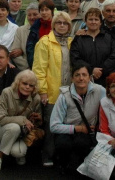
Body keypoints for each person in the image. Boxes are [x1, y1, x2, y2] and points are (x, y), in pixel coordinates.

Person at [33, 11, 73, 167]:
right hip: (52, 92)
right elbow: (39, 69)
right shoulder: (44, 42)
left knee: (67, 123)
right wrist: (42, 91)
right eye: (59, 23)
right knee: (50, 124)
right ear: (53, 24)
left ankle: (63, 156)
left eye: (65, 23)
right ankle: (47, 154)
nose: (62, 25)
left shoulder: (72, 42)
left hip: (69, 91)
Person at [51, 62, 106, 174]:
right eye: (77, 75)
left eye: (84, 75)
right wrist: (78, 128)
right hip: (67, 130)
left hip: (87, 132)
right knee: (63, 144)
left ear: (89, 77)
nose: (81, 78)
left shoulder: (99, 91)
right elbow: (54, 126)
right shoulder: (64, 96)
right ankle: (63, 163)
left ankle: (79, 164)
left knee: (82, 143)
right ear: (72, 78)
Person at [0, 70, 42, 172]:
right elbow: (1, 119)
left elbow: (36, 124)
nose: (27, 87)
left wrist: (38, 119)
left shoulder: (36, 98)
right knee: (14, 127)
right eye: (24, 83)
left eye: (31, 85)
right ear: (18, 82)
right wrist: (23, 120)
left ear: (34, 88)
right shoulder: (7, 92)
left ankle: (14, 152)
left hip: (22, 134)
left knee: (19, 152)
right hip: (0, 129)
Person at [70, 8, 115, 87]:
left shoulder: (109, 38)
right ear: (85, 22)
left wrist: (101, 70)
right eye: (90, 19)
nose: (93, 22)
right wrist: (91, 70)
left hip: (106, 81)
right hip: (84, 81)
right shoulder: (79, 39)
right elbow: (75, 58)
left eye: (96, 19)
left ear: (100, 22)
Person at [25, 0, 56, 69]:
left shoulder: (57, 25)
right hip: (38, 64)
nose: (44, 12)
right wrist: (34, 64)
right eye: (42, 10)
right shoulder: (35, 27)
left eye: (47, 10)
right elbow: (30, 47)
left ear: (52, 11)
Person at [9, 2, 39, 70]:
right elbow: (14, 53)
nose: (32, 17)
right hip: (26, 70)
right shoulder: (20, 30)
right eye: (29, 15)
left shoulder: (46, 30)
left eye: (35, 14)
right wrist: (27, 67)